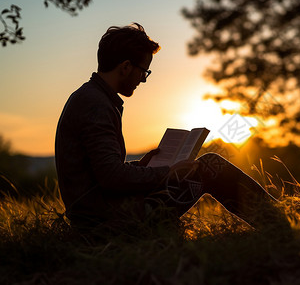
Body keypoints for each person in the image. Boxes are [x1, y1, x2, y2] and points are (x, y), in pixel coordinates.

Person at [55, 23, 283, 233]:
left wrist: (140, 165)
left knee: (202, 165)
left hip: (98, 215)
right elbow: (111, 178)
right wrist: (168, 172)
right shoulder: (96, 105)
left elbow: (100, 171)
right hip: (107, 223)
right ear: (125, 67)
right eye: (144, 71)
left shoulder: (91, 98)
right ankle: (282, 224)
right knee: (209, 165)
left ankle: (279, 221)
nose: (143, 80)